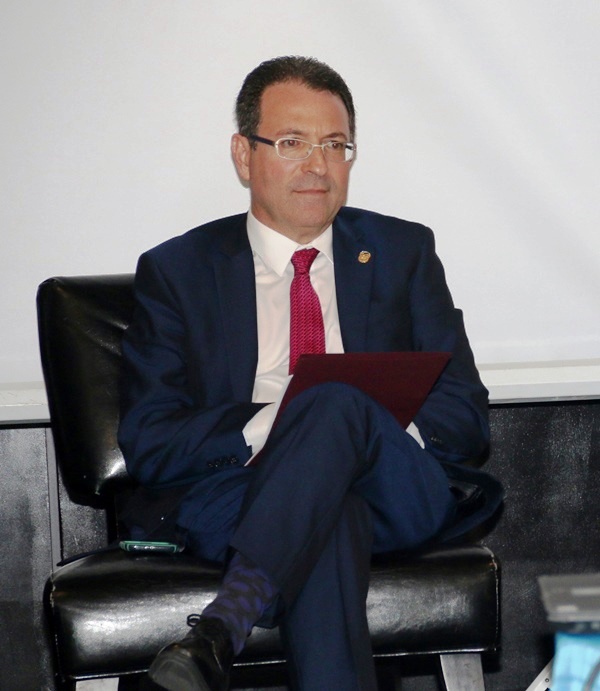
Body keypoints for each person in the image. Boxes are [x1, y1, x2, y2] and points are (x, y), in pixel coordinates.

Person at [118, 55, 502, 691]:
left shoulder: (403, 253)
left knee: (336, 401)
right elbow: (150, 440)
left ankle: (223, 625)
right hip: (239, 491)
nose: (317, 165)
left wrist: (364, 430)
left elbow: (465, 416)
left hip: (394, 487)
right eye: (292, 143)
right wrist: (281, 423)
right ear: (244, 155)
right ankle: (228, 620)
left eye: (335, 145)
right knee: (330, 508)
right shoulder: (179, 271)